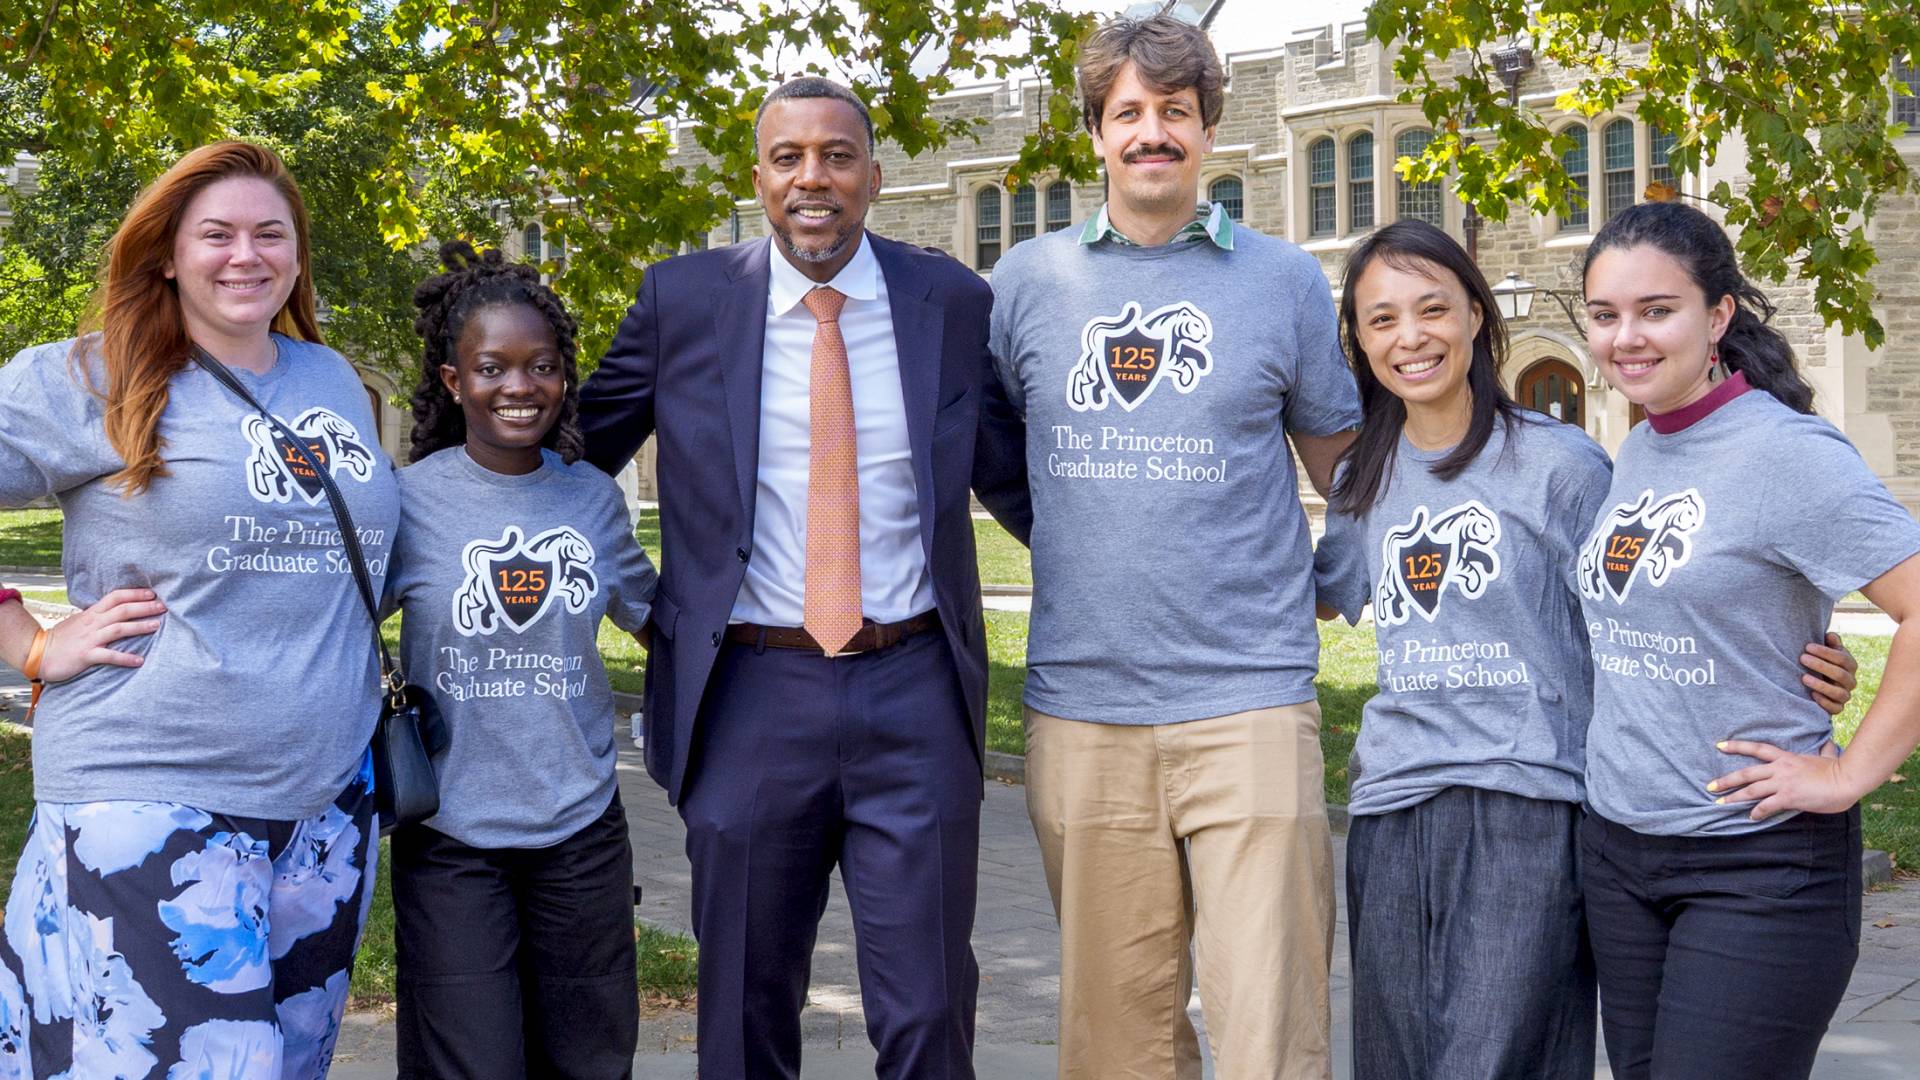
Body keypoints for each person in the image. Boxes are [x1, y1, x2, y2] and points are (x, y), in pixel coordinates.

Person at [1312, 219, 1859, 1080]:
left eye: (1432, 309)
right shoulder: (1361, 479)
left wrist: (1804, 654)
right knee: (1394, 1060)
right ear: (1359, 341)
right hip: (1391, 805)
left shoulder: (1565, 464)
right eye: (1381, 319)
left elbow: (1644, 604)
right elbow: (1304, 594)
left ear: (1478, 320)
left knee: (1497, 1062)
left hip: (1528, 799)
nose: (1410, 337)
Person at [576, 77, 1030, 1078]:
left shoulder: (947, 300)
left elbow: (1018, 481)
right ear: (758, 178)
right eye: (789, 158)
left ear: (872, 174)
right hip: (747, 692)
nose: (812, 178)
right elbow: (565, 457)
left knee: (927, 1010)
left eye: (836, 155)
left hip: (913, 688)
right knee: (743, 1012)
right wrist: (649, 609)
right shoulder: (684, 301)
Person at [986, 13, 1360, 1078]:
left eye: (1176, 113)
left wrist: (1339, 574)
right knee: (1117, 1037)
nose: (1154, 132)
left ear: (1207, 133)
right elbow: (994, 449)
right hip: (1081, 705)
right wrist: (1063, 529)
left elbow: (1345, 460)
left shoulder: (1283, 280)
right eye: (1130, 114)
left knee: (1270, 1025)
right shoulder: (1025, 285)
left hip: (1250, 697)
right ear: (1095, 134)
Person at [0, 141, 398, 1077]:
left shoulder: (330, 380)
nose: (244, 255)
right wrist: (28, 643)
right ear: (166, 254)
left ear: (298, 255)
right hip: (152, 798)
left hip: (324, 815)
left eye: (271, 233)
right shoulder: (87, 378)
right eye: (214, 234)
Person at [1576, 199, 1920, 1079]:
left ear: (1718, 314)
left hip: (1757, 865)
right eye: (1607, 315)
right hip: (1620, 853)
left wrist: (1849, 774)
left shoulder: (1787, 454)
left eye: (1658, 311)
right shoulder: (1644, 447)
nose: (1628, 338)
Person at [383, 242, 657, 1078]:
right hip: (452, 832)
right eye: (492, 367)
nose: (518, 386)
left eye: (541, 366)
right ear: (451, 379)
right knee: (473, 1064)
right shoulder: (407, 502)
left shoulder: (590, 498)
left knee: (589, 1060)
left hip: (580, 828)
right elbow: (326, 622)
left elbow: (663, 625)